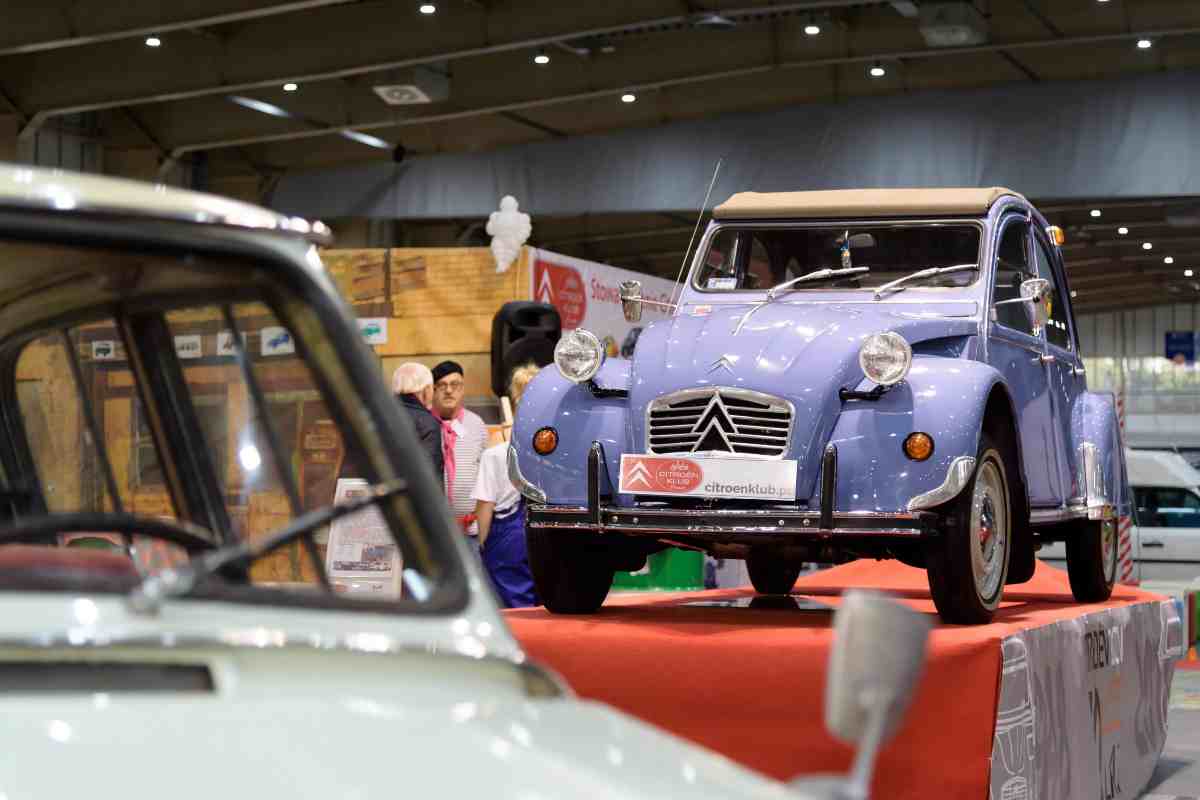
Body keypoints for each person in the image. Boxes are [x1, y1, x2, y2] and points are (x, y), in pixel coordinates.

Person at [471, 364, 539, 608]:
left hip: (508, 538)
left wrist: (483, 543)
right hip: (547, 532)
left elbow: (485, 506)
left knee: (516, 612)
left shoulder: (495, 455)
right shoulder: (554, 453)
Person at [430, 360, 489, 536]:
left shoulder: (476, 424)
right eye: (442, 385)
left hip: (471, 528)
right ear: (432, 390)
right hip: (434, 532)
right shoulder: (424, 424)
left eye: (455, 385)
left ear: (462, 389)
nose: (448, 390)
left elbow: (488, 474)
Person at [392, 362, 443, 489]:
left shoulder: (378, 414)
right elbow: (429, 473)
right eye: (432, 389)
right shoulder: (427, 422)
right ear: (426, 390)